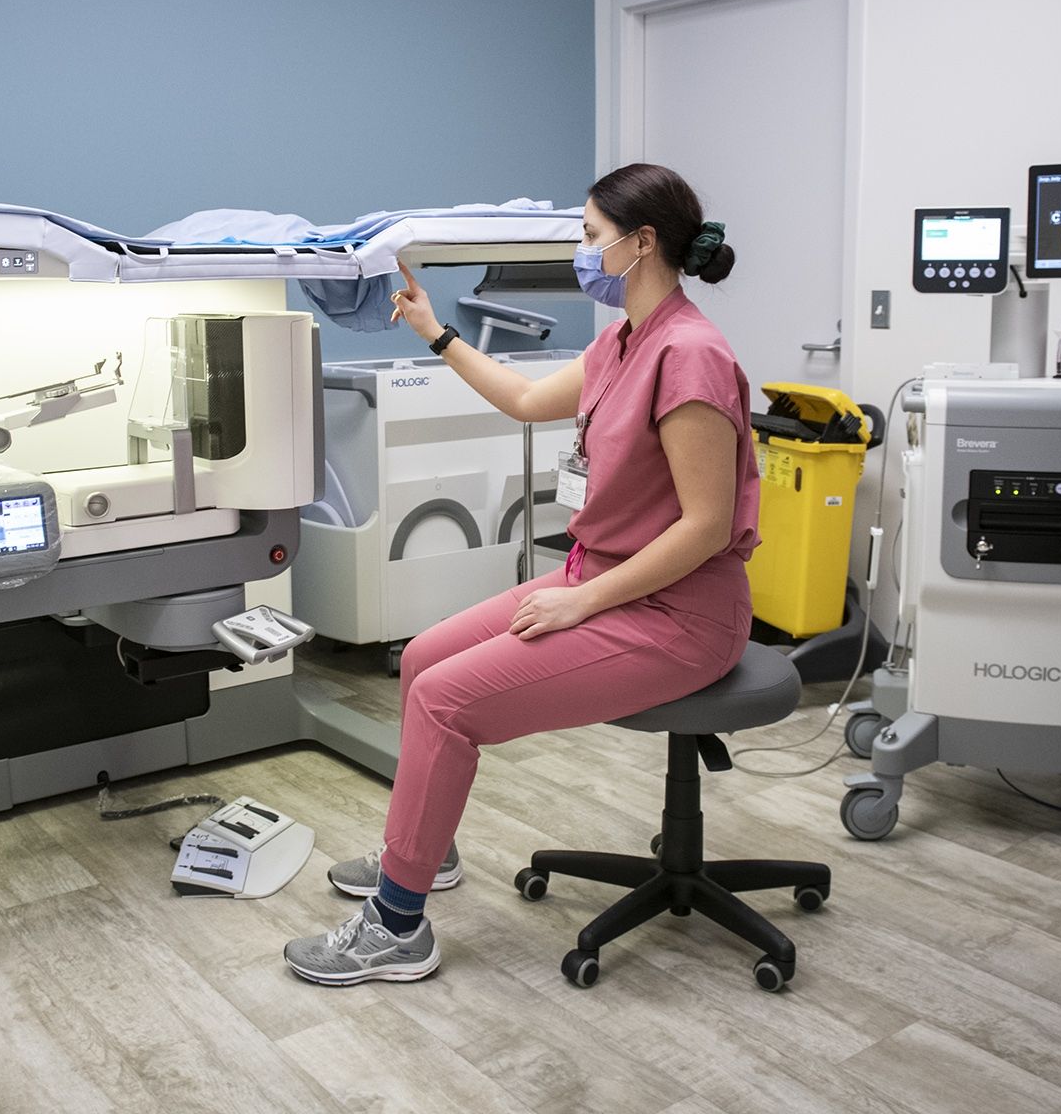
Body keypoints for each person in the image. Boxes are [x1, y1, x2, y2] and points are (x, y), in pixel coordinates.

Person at [283, 163, 760, 986]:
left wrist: (581, 603)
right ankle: (424, 853)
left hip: (679, 615)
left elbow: (704, 527)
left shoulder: (692, 356)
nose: (582, 251)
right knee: (423, 660)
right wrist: (434, 332)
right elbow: (526, 399)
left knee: (445, 700)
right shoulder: (622, 340)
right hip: (602, 578)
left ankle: (397, 927)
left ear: (642, 243)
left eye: (589, 235)